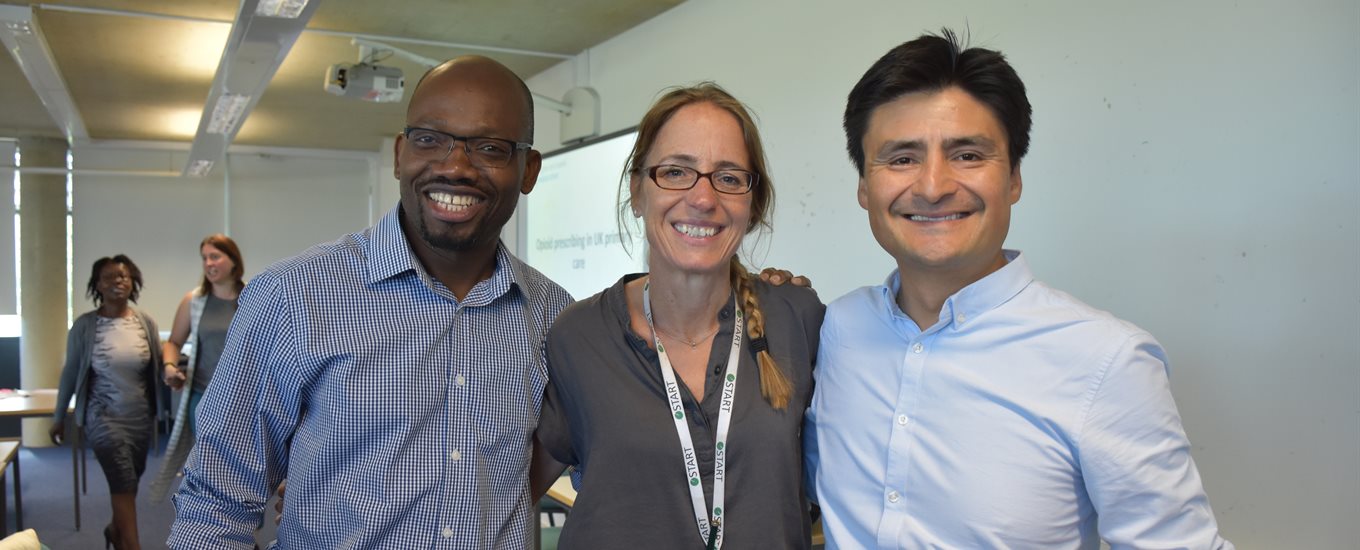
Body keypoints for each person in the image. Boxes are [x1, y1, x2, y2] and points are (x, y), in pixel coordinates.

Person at [804, 29, 1233, 549]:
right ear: (864, 188)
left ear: (1013, 179)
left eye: (967, 155)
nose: (933, 185)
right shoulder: (835, 329)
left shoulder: (1108, 362)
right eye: (901, 158)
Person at [168, 55, 572, 549]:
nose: (455, 166)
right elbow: (215, 502)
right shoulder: (294, 297)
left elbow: (531, 474)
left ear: (528, 169)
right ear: (401, 154)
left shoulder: (554, 318)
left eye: (489, 147)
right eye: (430, 139)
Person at [531, 83, 824, 549]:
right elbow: (506, 496)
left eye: (728, 177)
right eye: (675, 172)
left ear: (753, 203)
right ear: (637, 191)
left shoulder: (799, 321)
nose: (703, 198)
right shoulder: (578, 336)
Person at [50, 255, 163, 550]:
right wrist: (59, 416)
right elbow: (71, 372)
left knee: (128, 483)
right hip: (102, 417)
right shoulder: (86, 326)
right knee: (122, 478)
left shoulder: (145, 322)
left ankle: (115, 530)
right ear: (97, 284)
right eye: (110, 277)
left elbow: (158, 368)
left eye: (124, 276)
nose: (118, 282)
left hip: (139, 418)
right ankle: (132, 545)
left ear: (133, 282)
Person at [148, 234, 245, 503]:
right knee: (209, 465)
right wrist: (169, 365)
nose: (208, 263)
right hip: (202, 396)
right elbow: (174, 342)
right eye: (204, 258)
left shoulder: (250, 298)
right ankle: (214, 528)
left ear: (234, 260)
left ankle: (249, 534)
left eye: (215, 256)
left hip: (241, 399)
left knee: (243, 469)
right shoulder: (195, 300)